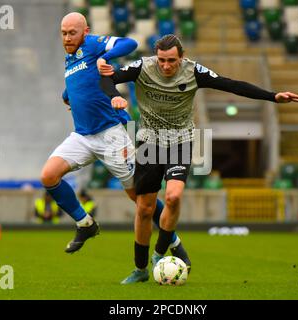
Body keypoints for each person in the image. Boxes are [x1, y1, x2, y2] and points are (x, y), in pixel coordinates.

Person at [99, 34, 298, 283]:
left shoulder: (193, 71)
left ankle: (159, 254)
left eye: (171, 60)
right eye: (162, 60)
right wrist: (114, 96)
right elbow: (108, 77)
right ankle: (140, 270)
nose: (166, 66)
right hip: (148, 142)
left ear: (181, 57)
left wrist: (272, 96)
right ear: (156, 56)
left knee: (173, 197)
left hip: (180, 141)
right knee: (144, 209)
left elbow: (232, 84)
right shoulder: (143, 67)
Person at [40, 13, 189, 265]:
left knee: (142, 201)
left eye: (72, 33)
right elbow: (81, 79)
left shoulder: (94, 44)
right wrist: (68, 94)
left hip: (111, 135)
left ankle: (173, 241)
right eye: (63, 33)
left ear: (84, 31)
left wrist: (104, 57)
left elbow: (128, 44)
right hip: (83, 136)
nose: (67, 38)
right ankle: (85, 223)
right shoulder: (70, 57)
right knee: (48, 176)